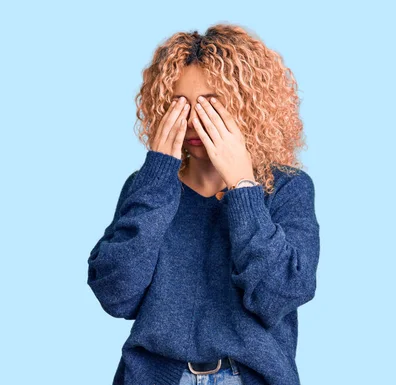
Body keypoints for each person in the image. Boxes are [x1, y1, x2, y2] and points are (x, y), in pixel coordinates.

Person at [87, 24, 320, 385]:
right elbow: (116, 295)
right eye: (179, 104)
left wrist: (243, 187)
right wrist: (157, 178)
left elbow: (280, 294)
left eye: (212, 104)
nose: (195, 121)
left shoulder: (288, 187)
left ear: (248, 104)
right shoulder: (147, 187)